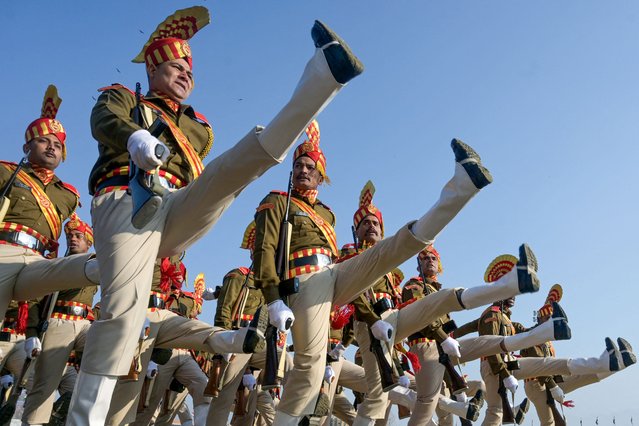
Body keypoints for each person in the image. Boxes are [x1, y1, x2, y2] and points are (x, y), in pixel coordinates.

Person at [69, 5, 365, 422]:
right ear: (153, 71)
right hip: (126, 199)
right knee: (121, 308)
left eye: (189, 69)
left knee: (234, 169)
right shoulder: (124, 97)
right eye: (175, 66)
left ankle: (321, 80)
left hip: (175, 204)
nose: (186, 74)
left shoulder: (198, 128)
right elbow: (103, 118)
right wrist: (133, 134)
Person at [252, 127, 546, 424]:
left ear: (320, 176)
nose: (303, 170)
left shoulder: (328, 215)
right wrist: (273, 299)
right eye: (298, 166)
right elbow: (265, 249)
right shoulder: (278, 201)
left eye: (309, 167)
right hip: (307, 279)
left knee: (395, 250)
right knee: (312, 369)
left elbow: (362, 287)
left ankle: (463, 192)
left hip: (340, 278)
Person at [0, 84, 99, 330]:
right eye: (43, 141)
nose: (52, 147)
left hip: (40, 260)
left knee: (95, 266)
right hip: (5, 251)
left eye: (57, 144)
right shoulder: (6, 172)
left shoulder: (68, 195)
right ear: (26, 147)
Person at [22, 214, 98, 425]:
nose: (72, 239)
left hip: (85, 324)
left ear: (88, 243)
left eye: (78, 236)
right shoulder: (55, 264)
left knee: (107, 343)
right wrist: (31, 334)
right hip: (58, 322)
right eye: (70, 236)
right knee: (44, 385)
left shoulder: (97, 264)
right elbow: (35, 301)